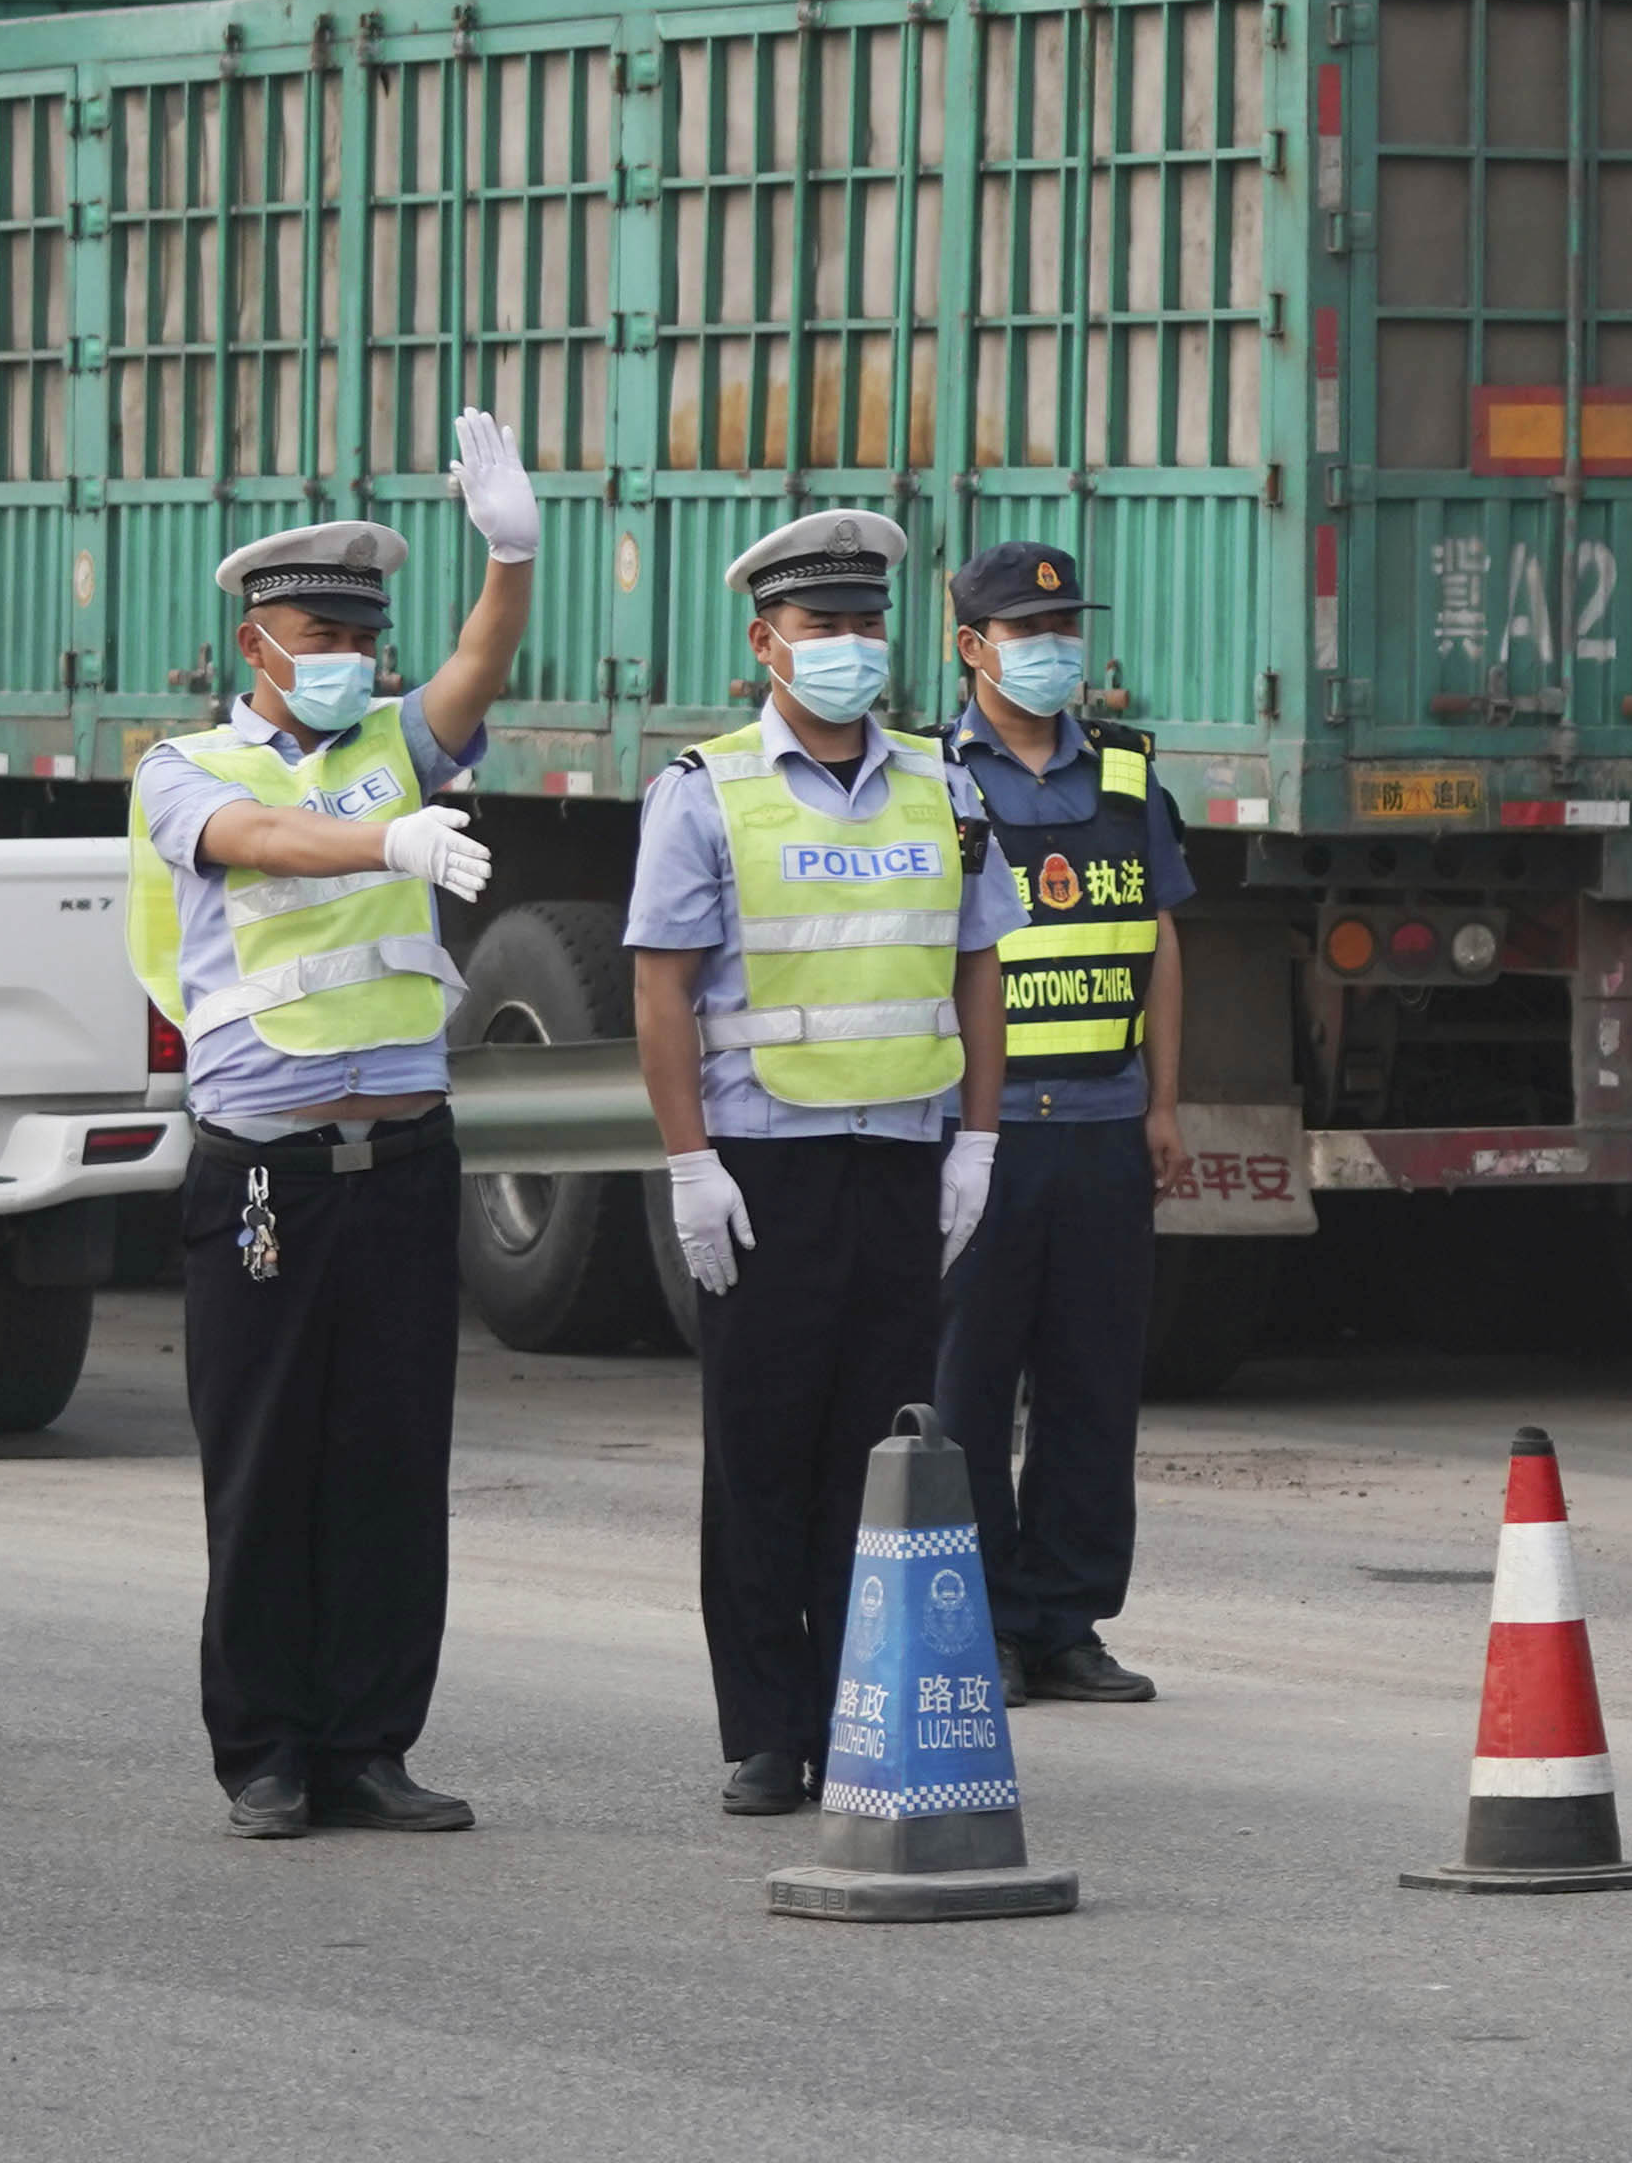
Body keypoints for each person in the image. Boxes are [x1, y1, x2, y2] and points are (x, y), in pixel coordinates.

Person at [124, 412, 533, 1839]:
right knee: (265, 1464)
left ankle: (370, 1742)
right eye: (319, 631)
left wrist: (512, 554)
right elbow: (262, 849)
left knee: (388, 1463)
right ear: (260, 646)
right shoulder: (188, 771)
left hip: (404, 1164)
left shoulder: (394, 743)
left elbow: (478, 669)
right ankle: (266, 1754)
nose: (350, 655)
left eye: (365, 634)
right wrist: (389, 839)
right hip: (267, 1178)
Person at [629, 510, 1017, 1816]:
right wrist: (689, 1163)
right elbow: (662, 992)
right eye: (821, 625)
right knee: (759, 1457)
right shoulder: (705, 790)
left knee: (884, 1452)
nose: (848, 646)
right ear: (766, 641)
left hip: (903, 1163)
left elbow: (976, 967)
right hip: (763, 1164)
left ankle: (866, 1710)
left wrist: (978, 1140)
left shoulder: (943, 788)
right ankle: (765, 1731)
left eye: (864, 623)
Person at [930, 538, 1193, 1705]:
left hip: (1102, 1123)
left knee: (1092, 1384)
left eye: (1062, 630)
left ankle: (1067, 1619)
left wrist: (1166, 1099)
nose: (1051, 650)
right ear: (971, 647)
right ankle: (978, 1618)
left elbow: (1166, 943)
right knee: (968, 1385)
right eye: (1026, 633)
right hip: (982, 1133)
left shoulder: (1130, 776)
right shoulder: (931, 777)